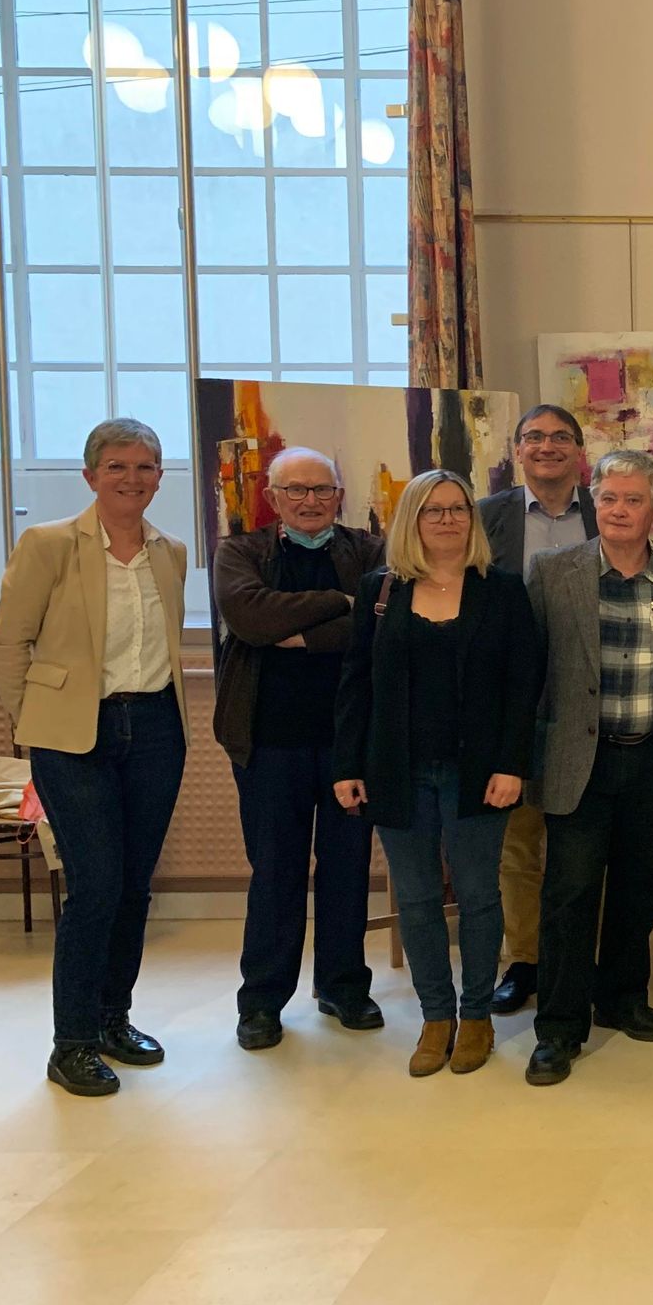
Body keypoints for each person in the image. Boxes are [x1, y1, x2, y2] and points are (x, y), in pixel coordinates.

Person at [0, 419, 189, 1098]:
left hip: (155, 728)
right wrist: (35, 720)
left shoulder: (169, 551)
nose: (132, 479)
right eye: (117, 466)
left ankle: (111, 1019)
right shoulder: (48, 544)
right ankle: (70, 1043)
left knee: (133, 886)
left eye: (145, 466)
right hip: (73, 736)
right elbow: (7, 644)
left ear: (160, 476)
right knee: (96, 886)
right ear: (90, 476)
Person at [334, 470, 542, 1078]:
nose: (448, 519)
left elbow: (522, 686)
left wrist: (512, 765)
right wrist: (346, 766)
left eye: (458, 509)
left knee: (478, 896)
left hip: (478, 772)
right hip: (396, 771)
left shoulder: (502, 590)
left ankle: (475, 1016)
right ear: (412, 520)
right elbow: (356, 685)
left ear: (472, 520)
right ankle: (435, 1018)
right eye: (433, 510)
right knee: (419, 898)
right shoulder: (381, 590)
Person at [522, 452, 653, 1086]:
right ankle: (558, 1028)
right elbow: (530, 669)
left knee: (641, 886)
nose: (618, 510)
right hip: (580, 760)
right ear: (592, 503)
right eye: (608, 498)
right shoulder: (553, 572)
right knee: (569, 894)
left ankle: (623, 998)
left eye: (632, 500)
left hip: (652, 756)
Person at [212, 446, 386, 1052]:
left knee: (347, 869)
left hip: (349, 744)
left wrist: (298, 635)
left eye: (322, 490)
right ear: (272, 497)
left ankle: (343, 986)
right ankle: (262, 1001)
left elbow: (381, 624)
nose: (310, 501)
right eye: (296, 490)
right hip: (267, 742)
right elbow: (250, 618)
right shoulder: (240, 552)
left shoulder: (370, 551)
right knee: (275, 872)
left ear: (339, 496)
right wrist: (340, 603)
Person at [477, 404, 595, 1018]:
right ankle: (523, 960)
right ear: (517, 449)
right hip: (509, 704)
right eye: (534, 437)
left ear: (579, 450)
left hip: (586, 702)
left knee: (583, 844)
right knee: (517, 844)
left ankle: (581, 958)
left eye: (560, 437)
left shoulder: (608, 510)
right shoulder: (484, 516)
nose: (547, 446)